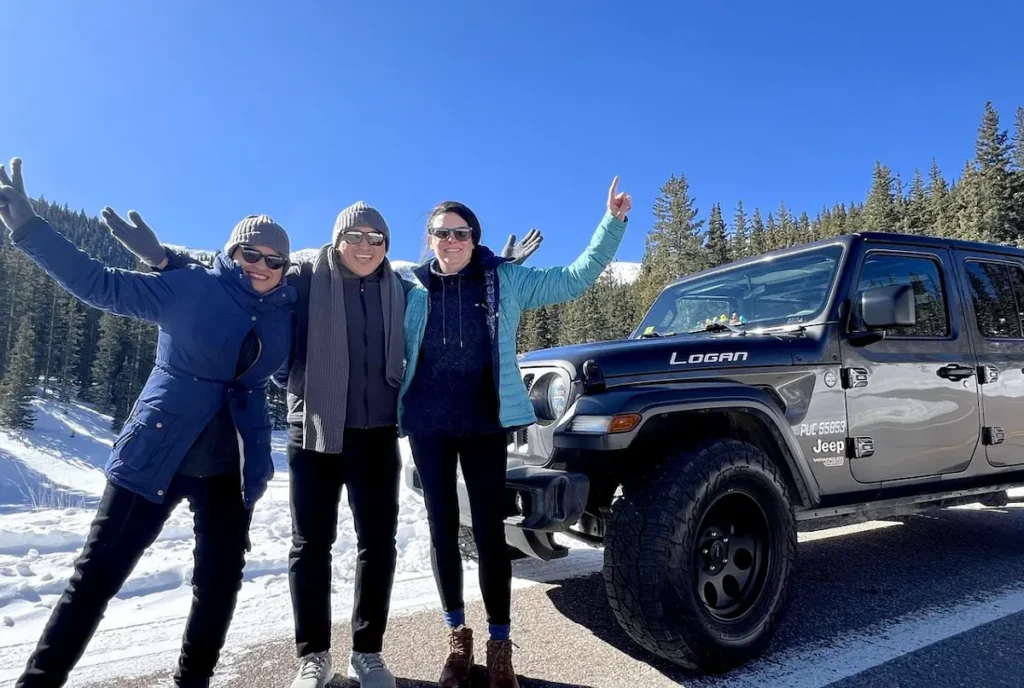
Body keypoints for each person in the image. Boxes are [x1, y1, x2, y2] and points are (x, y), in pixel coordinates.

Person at [104, 200, 544, 688]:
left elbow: (451, 289)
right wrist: (165, 259)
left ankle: (368, 653)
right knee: (311, 545)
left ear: (387, 245)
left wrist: (494, 269)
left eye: (375, 238)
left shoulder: (402, 286)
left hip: (376, 432)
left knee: (377, 544)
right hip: (314, 429)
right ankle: (314, 655)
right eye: (354, 236)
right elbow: (245, 274)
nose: (365, 246)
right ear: (336, 240)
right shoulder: (306, 276)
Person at [0, 158, 296, 688]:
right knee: (96, 578)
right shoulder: (189, 287)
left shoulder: (282, 313)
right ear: (232, 252)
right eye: (251, 253)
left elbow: (301, 359)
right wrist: (30, 229)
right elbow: (98, 283)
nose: (262, 266)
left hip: (232, 470)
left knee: (219, 586)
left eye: (275, 260)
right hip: (155, 453)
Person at [398, 177, 631, 688]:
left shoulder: (504, 280)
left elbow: (574, 279)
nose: (451, 241)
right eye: (442, 233)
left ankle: (499, 645)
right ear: (430, 240)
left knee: (488, 532)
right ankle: (457, 639)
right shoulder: (411, 289)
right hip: (428, 427)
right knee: (442, 532)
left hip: (484, 425)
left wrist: (612, 224)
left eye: (461, 233)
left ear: (474, 238)